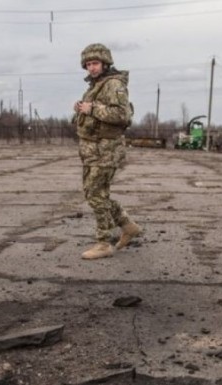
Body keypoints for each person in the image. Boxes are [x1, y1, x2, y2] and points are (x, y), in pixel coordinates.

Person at [73, 43, 142, 260]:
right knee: (95, 194)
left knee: (95, 194)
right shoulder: (97, 86)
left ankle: (104, 242)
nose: (91, 68)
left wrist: (92, 108)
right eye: (88, 65)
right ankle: (127, 226)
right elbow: (97, 114)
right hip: (93, 150)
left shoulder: (113, 84)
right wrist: (82, 109)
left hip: (106, 150)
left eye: (95, 63)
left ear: (105, 63)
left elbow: (123, 115)